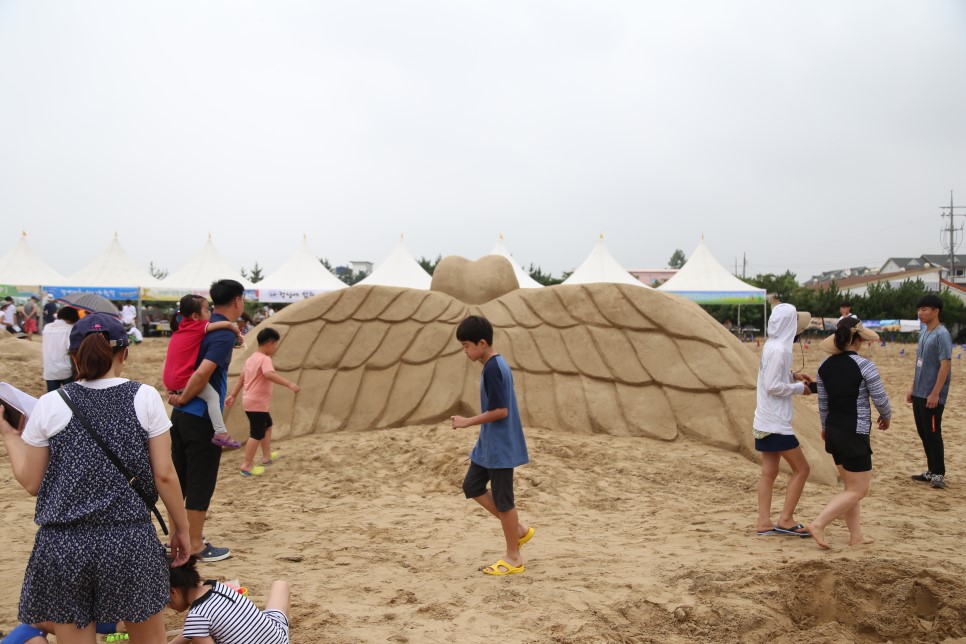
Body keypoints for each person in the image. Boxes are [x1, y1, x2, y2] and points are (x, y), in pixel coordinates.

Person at [0, 313, 191, 644]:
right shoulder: (144, 396)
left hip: (63, 544)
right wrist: (181, 529)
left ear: (74, 356)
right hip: (129, 539)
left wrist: (9, 435)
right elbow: (164, 473)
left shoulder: (49, 404)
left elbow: (31, 482)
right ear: (124, 353)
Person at [168, 279, 245, 563]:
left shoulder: (200, 325)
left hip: (180, 416)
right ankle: (196, 544)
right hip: (200, 417)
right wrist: (187, 397)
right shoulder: (222, 334)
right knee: (201, 481)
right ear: (237, 300)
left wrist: (178, 395)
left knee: (180, 478)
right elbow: (202, 373)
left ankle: (174, 538)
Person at [450, 315, 534, 576]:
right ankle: (518, 530)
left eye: (467, 345)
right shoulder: (492, 366)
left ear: (482, 343)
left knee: (504, 501)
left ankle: (513, 558)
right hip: (489, 445)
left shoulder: (495, 368)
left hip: (500, 447)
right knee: (472, 486)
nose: (465, 351)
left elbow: (501, 411)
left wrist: (467, 422)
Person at [806, 319, 891, 548]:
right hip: (855, 430)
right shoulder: (865, 366)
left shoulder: (824, 366)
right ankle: (818, 524)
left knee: (850, 487)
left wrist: (824, 427)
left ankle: (856, 536)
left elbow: (823, 403)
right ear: (859, 339)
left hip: (833, 429)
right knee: (859, 489)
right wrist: (887, 416)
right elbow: (880, 398)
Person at [754, 303, 813, 537]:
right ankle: (786, 519)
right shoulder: (781, 349)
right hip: (776, 422)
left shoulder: (771, 345)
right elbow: (772, 386)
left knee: (769, 472)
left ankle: (764, 521)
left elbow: (771, 377)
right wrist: (799, 387)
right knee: (802, 469)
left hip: (764, 420)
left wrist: (792, 375)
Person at [163, 294, 243, 449]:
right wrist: (234, 329)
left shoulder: (180, 330)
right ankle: (220, 432)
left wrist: (170, 389)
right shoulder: (198, 326)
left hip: (170, 380)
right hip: (183, 381)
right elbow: (223, 326)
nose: (210, 314)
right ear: (195, 316)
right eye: (207, 310)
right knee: (213, 397)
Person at [225, 327, 299, 476]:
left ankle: (266, 456)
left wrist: (233, 395)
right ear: (269, 343)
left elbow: (241, 378)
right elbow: (268, 374)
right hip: (257, 403)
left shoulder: (251, 358)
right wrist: (289, 384)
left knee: (267, 426)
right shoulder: (265, 359)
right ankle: (246, 466)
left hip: (252, 401)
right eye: (275, 344)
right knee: (256, 433)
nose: (276, 348)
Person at [167, 557, 291, 644]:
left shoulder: (195, 618)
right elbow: (192, 629)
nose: (166, 605)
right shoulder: (215, 586)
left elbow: (195, 627)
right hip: (278, 639)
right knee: (280, 584)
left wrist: (193, 629)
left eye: (164, 599)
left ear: (173, 592)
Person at [906, 294, 952, 489]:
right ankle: (931, 470)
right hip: (919, 392)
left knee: (933, 432)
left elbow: (945, 366)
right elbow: (919, 365)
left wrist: (935, 393)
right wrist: (912, 388)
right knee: (924, 433)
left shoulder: (942, 334)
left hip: (932, 394)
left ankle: (939, 473)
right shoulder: (924, 333)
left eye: (925, 309)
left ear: (936, 311)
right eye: (919, 309)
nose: (920, 313)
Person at [41, 306, 79, 392]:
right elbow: (71, 349)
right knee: (70, 398)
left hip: (49, 370)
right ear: (71, 319)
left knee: (53, 399)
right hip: (65, 371)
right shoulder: (69, 329)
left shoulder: (47, 327)